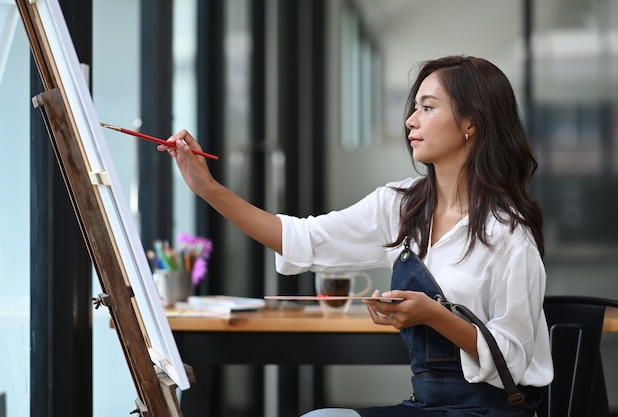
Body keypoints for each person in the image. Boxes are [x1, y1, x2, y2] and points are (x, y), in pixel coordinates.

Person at [158, 55, 553, 417]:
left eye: (428, 108)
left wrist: (433, 315)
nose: (410, 121)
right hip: (424, 406)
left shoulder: (508, 234)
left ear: (471, 123)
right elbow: (303, 239)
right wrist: (208, 188)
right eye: (414, 108)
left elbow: (511, 361)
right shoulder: (400, 206)